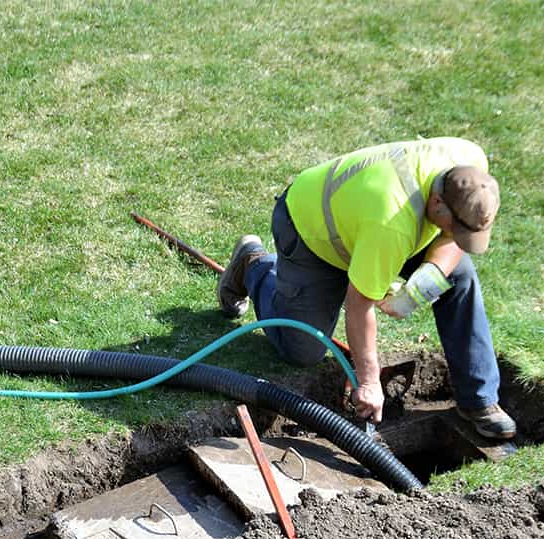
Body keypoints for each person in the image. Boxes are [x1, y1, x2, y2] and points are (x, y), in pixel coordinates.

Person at [217, 136, 516, 439]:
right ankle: (254, 265)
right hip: (312, 231)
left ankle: (478, 400)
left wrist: (420, 288)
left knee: (459, 277)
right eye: (456, 227)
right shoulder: (390, 221)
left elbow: (453, 243)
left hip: (366, 223)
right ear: (437, 202)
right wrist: (370, 382)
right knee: (302, 350)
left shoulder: (471, 165)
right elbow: (359, 305)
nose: (457, 235)